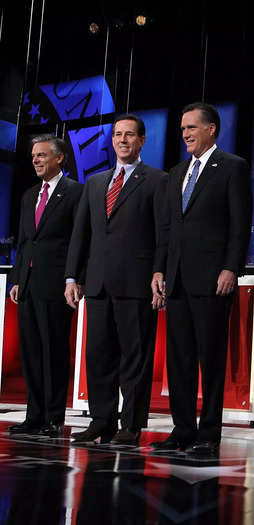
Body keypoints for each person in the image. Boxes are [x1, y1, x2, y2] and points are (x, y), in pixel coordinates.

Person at [151, 102, 252, 456]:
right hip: (176, 280)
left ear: (212, 129)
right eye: (182, 129)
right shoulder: (175, 173)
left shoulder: (232, 167)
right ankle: (182, 429)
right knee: (179, 360)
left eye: (191, 127)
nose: (185, 134)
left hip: (212, 280)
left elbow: (240, 225)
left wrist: (230, 268)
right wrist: (159, 270)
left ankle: (209, 433)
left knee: (210, 360)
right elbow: (167, 229)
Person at [64, 114, 166, 446]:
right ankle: (101, 420)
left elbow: (162, 235)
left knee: (134, 358)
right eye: (117, 135)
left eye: (129, 135)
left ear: (141, 141)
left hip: (136, 284)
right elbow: (81, 234)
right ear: (112, 141)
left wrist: (157, 272)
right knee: (98, 355)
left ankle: (131, 425)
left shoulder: (156, 180)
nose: (122, 140)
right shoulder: (95, 183)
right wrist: (72, 277)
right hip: (96, 284)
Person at [8, 134, 83, 437]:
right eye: (33, 156)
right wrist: (15, 279)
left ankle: (54, 418)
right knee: (31, 353)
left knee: (53, 352)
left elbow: (78, 241)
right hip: (27, 285)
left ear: (59, 158)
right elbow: (24, 241)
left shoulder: (75, 192)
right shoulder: (29, 196)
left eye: (42, 155)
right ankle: (34, 415)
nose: (36, 160)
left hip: (56, 285)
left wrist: (73, 278)